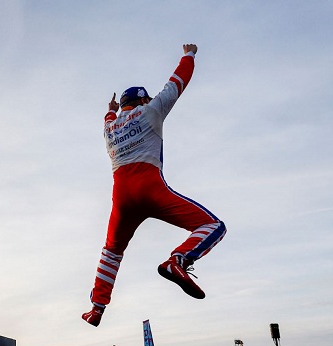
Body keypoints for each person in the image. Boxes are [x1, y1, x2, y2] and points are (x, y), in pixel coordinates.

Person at [83, 43, 227, 326]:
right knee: (213, 226)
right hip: (150, 187)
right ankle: (178, 260)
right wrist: (189, 55)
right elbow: (177, 83)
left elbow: (109, 117)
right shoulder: (151, 111)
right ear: (145, 101)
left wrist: (110, 110)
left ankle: (96, 308)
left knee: (112, 250)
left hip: (122, 196)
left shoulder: (109, 129)